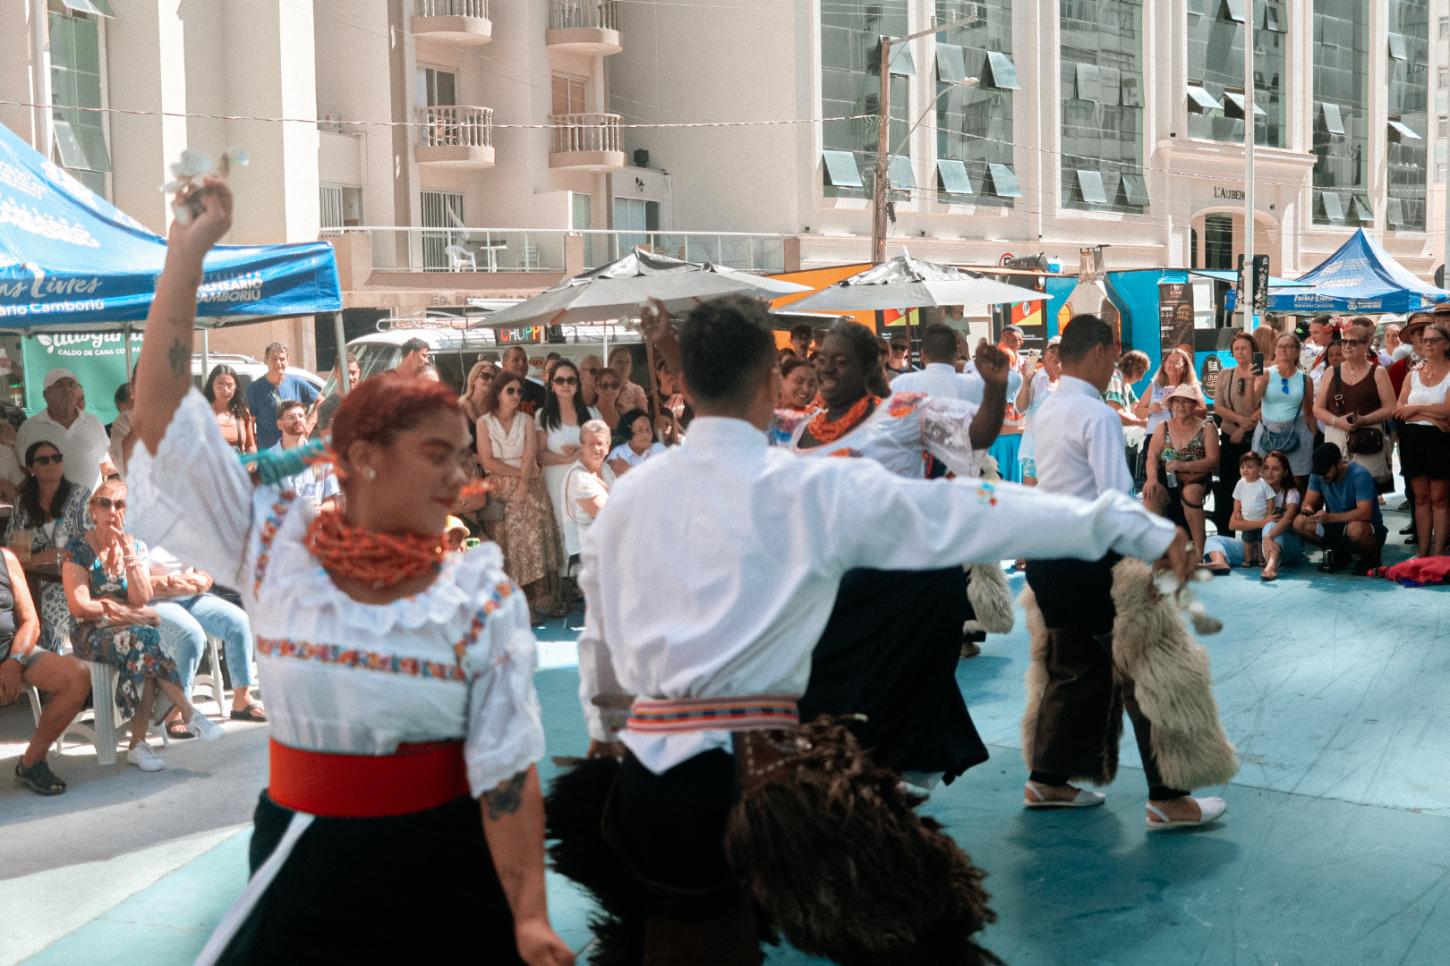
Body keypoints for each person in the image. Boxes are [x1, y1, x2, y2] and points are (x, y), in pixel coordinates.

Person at [567, 295, 1189, 963]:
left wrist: (606, 740)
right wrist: (1132, 525)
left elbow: (597, 647)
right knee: (907, 929)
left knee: (681, 944)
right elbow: (967, 508)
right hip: (758, 780)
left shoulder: (629, 496)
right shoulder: (805, 486)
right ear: (770, 382)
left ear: (684, 381)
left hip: (647, 780)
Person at [126, 174, 571, 965]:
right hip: (304, 864)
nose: (456, 478)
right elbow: (161, 416)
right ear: (362, 458)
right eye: (437, 454)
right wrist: (186, 254)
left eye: (462, 457)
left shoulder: (477, 595)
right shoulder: (274, 547)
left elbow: (505, 773)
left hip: (444, 874)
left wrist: (531, 917)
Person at [1022, 313, 1230, 830]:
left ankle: (1048, 778)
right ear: (1097, 352)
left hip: (1048, 560)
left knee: (1073, 670)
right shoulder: (1096, 416)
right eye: (1113, 353)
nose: (1115, 361)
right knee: (1153, 672)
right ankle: (1169, 795)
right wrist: (1160, 543)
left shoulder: (1046, 407)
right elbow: (1115, 500)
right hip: (1092, 562)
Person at [62, 480, 225, 771]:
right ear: (93, 510)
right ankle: (186, 714)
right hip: (91, 631)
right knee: (146, 638)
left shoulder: (135, 546)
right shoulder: (77, 549)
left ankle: (140, 744)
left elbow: (141, 597)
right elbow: (81, 607)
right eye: (105, 503)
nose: (112, 511)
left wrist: (128, 555)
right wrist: (122, 612)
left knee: (144, 644)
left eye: (120, 505)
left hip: (130, 632)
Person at [2, 543, 92, 795]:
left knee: (76, 676)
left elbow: (30, 621)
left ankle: (32, 761)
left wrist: (14, 660)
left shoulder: (6, 559)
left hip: (12, 650)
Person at [149, 548, 266, 736]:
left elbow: (205, 571)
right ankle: (176, 709)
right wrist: (175, 584)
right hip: (156, 600)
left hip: (192, 596)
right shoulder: (138, 530)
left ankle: (241, 700)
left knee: (238, 621)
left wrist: (200, 581)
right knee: (189, 634)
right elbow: (135, 581)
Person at [478, 371, 564, 621]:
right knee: (507, 540)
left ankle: (539, 597)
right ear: (498, 393)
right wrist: (518, 474)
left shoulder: (527, 420)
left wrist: (524, 483)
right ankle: (515, 601)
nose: (516, 395)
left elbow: (530, 454)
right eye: (511, 391)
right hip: (500, 486)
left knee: (534, 536)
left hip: (529, 484)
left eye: (519, 391)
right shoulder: (484, 422)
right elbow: (487, 460)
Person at [5, 442, 90, 651]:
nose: (52, 463)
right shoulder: (22, 503)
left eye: (56, 458)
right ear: (31, 470)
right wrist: (36, 559)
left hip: (71, 579)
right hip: (30, 578)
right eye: (43, 460)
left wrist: (46, 557)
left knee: (50, 609)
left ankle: (55, 661)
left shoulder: (80, 496)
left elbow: (87, 542)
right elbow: (11, 547)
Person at [1313, 320, 1397, 491]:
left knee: (1365, 492)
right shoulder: (1331, 372)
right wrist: (1337, 422)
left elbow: (1390, 408)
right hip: (1336, 437)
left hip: (1367, 438)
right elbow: (1317, 408)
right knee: (1337, 489)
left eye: (1354, 342)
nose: (1347, 346)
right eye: (1345, 341)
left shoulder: (1378, 372)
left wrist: (1364, 419)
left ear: (1366, 344)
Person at [1394, 319, 1450, 557]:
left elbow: (1447, 411)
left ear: (1446, 344)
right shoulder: (1412, 374)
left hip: (1440, 439)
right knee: (1420, 497)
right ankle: (1424, 549)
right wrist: (1431, 413)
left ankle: (1438, 549)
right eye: (1424, 340)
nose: (1427, 344)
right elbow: (1399, 409)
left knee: (1439, 497)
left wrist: (1415, 409)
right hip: (1413, 439)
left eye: (1433, 340)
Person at [536, 360, 600, 567]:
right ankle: (565, 586)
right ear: (552, 385)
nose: (566, 384)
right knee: (562, 529)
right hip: (556, 482)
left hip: (586, 481)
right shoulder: (542, 416)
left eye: (571, 380)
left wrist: (581, 451)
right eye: (560, 380)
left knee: (587, 529)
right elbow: (540, 455)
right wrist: (568, 459)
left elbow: (601, 447)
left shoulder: (591, 414)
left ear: (578, 383)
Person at [1143, 384, 1219, 557]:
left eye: (1186, 402)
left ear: (1194, 405)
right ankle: (1159, 552)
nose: (1181, 406)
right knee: (1151, 493)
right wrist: (1152, 479)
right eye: (1177, 402)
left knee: (1191, 493)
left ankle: (1199, 551)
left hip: (1196, 477)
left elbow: (1212, 460)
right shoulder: (1163, 426)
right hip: (1167, 476)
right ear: (1171, 405)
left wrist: (1183, 466)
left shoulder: (1207, 427)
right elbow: (1152, 456)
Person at [1204, 450, 1304, 581]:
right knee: (1214, 540)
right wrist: (1261, 523)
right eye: (1266, 468)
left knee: (1271, 525)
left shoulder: (1291, 493)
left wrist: (1269, 535)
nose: (1269, 472)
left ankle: (1271, 566)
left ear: (1285, 473)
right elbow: (1232, 524)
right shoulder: (1249, 487)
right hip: (1257, 546)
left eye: (1275, 469)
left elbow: (1288, 519)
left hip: (1286, 547)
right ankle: (1219, 563)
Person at [1293, 443, 1389, 574]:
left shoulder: (1360, 475)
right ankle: (1339, 553)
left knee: (1356, 529)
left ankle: (1370, 557)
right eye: (1320, 472)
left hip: (1366, 526)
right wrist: (1308, 510)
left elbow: (1365, 513)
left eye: (1326, 471)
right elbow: (1308, 502)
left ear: (1339, 464)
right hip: (1337, 525)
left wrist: (1330, 518)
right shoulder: (1319, 474)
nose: (1322, 476)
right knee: (1300, 522)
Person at [17, 368, 112, 491]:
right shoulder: (29, 428)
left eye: (71, 384)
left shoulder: (93, 423)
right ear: (46, 394)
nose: (67, 389)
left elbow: (105, 464)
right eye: (60, 385)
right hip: (47, 508)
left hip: (89, 507)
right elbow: (22, 470)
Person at [1213, 331, 1262, 534]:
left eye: (1244, 348)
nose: (1240, 352)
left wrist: (1244, 427)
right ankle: (1226, 535)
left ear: (1253, 350)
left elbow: (1263, 407)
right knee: (1228, 487)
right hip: (1229, 435)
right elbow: (1218, 406)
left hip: (1255, 437)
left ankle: (1256, 536)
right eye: (1236, 349)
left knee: (1257, 486)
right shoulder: (1225, 374)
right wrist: (1239, 421)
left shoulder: (1263, 374)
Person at [1253, 332, 1316, 488]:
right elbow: (1253, 402)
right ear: (1275, 350)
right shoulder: (1266, 374)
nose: (1283, 350)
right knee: (1264, 479)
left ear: (1297, 351)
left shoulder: (1305, 379)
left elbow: (1310, 411)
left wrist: (1313, 436)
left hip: (1297, 432)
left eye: (1289, 346)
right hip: (1267, 433)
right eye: (1280, 346)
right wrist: (1252, 379)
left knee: (1297, 480)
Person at [245, 344, 320, 451]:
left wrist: (309, 425)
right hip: (268, 452)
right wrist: (252, 446)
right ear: (266, 360)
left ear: (288, 361)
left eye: (282, 359)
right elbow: (249, 421)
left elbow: (321, 400)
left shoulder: (296, 382)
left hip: (295, 450)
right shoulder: (255, 388)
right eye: (274, 359)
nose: (278, 363)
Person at [268, 400, 339, 510]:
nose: (298, 419)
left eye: (301, 416)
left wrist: (319, 510)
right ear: (280, 424)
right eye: (291, 417)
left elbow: (332, 501)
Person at [561, 421, 614, 562]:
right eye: (591, 444)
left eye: (600, 444)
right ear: (582, 447)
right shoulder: (578, 477)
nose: (596, 449)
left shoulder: (606, 469)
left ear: (608, 448)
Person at [888, 322, 974, 402]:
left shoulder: (900, 384)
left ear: (922, 355)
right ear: (956, 354)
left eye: (902, 348)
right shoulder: (973, 386)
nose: (898, 351)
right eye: (895, 347)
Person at [1017, 337, 1063, 485]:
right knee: (1031, 497)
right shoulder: (1034, 378)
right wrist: (1026, 382)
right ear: (1044, 354)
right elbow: (1021, 407)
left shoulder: (1068, 381)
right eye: (1052, 351)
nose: (1055, 355)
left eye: (1060, 352)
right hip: (1034, 449)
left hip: (1059, 450)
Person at [1230, 452, 1276, 566]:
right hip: (1247, 521)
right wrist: (1236, 512)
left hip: (1262, 519)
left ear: (1259, 469)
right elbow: (1237, 499)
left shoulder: (1263, 483)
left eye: (1250, 467)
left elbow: (1270, 499)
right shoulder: (1240, 483)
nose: (1245, 470)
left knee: (1260, 540)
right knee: (1247, 541)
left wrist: (1269, 514)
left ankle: (1261, 559)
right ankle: (1248, 559)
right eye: (1242, 467)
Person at [205, 364, 257, 454]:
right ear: (211, 385)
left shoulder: (242, 413)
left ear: (236, 387)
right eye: (220, 384)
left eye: (229, 385)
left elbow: (251, 446)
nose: (225, 390)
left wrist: (251, 462)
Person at [606, 409, 665, 477]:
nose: (646, 434)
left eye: (648, 429)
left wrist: (628, 470)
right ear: (628, 433)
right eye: (640, 430)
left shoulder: (659, 450)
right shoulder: (618, 454)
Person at [501, 345, 547, 415]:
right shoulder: (495, 390)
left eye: (524, 360)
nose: (521, 364)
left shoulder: (540, 391)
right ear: (504, 365)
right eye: (516, 360)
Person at [606, 346, 649, 413]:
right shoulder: (602, 387)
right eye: (619, 362)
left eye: (627, 362)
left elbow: (644, 417)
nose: (623, 366)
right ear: (609, 364)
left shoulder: (636, 391)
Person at [593, 367, 624, 431]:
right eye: (604, 385)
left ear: (619, 388)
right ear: (596, 388)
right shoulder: (589, 414)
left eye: (614, 385)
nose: (610, 389)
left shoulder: (623, 413)